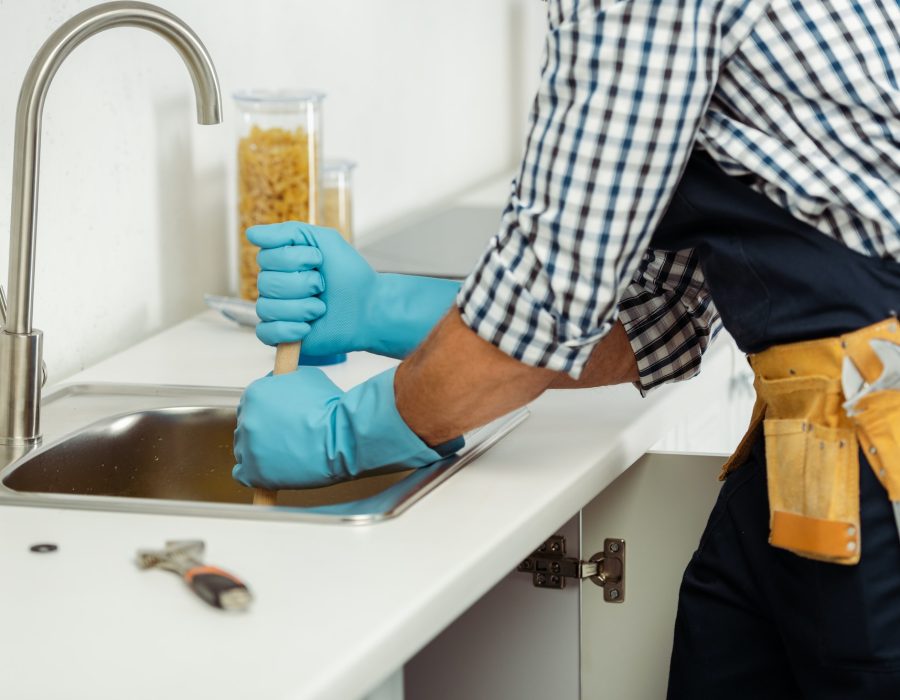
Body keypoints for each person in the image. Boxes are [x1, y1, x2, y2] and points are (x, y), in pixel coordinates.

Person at [233, 0, 900, 696]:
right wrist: (381, 309)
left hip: (877, 454)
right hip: (810, 447)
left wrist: (343, 434)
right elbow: (656, 310)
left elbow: (550, 302)